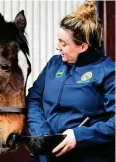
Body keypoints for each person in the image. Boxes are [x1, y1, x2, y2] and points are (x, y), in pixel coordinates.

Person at [26, 0, 115, 162]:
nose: (57, 47)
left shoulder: (108, 71)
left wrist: (79, 136)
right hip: (48, 157)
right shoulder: (54, 64)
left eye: (64, 43)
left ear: (83, 47)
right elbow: (34, 99)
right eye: (58, 40)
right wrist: (42, 135)